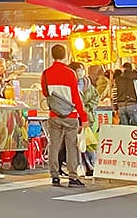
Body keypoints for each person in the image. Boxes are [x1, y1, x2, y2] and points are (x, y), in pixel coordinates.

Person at [43, 44, 88, 187]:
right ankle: (72, 176)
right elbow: (76, 97)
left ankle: (54, 175)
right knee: (71, 146)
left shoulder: (46, 73)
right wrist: (84, 117)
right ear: (65, 55)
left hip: (54, 114)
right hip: (71, 115)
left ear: (52, 55)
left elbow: (45, 93)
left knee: (54, 145)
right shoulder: (70, 73)